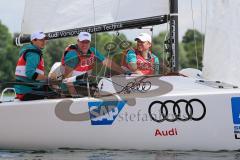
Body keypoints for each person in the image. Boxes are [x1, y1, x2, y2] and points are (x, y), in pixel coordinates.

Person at [61, 32, 126, 97]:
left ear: (90, 43)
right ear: (78, 41)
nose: (84, 44)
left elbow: (107, 63)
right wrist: (75, 97)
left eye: (87, 42)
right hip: (69, 90)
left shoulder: (92, 51)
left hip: (83, 85)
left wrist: (124, 72)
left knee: (107, 91)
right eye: (82, 42)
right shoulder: (72, 55)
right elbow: (68, 80)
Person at [15, 31, 53, 101]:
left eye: (44, 40)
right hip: (27, 92)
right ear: (33, 40)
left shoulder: (29, 51)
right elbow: (30, 73)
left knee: (50, 88)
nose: (44, 42)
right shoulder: (33, 53)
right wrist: (48, 79)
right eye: (41, 40)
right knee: (57, 93)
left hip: (22, 91)